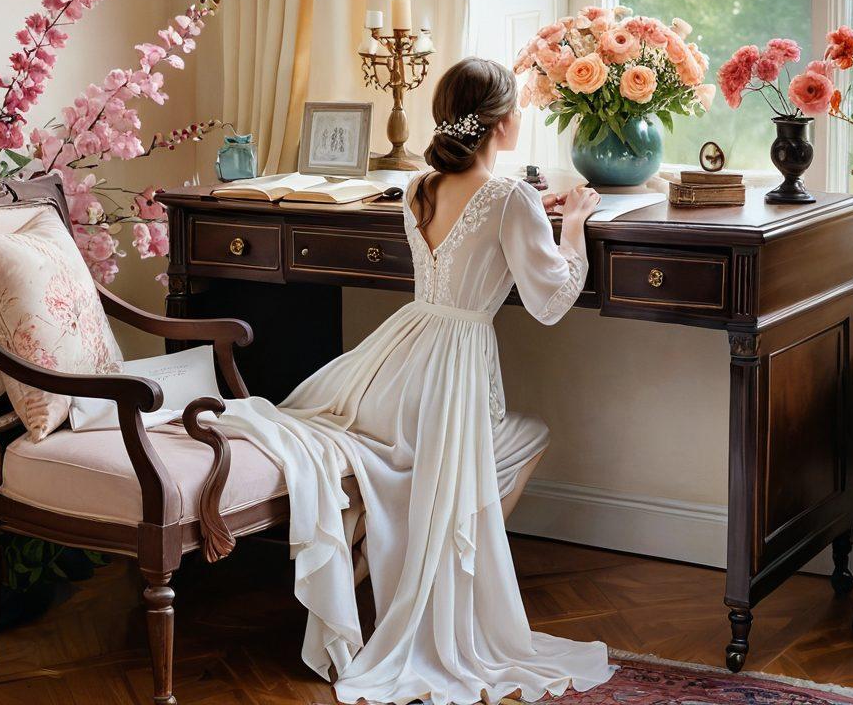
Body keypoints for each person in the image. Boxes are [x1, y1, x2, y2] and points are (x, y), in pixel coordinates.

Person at [215, 57, 613, 704]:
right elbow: (550, 298)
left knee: (432, 458)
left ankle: (393, 549)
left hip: (396, 362)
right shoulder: (509, 197)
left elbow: (479, 225)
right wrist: (573, 223)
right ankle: (444, 570)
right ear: (502, 122)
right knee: (527, 436)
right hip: (453, 366)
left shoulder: (420, 188)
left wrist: (531, 212)